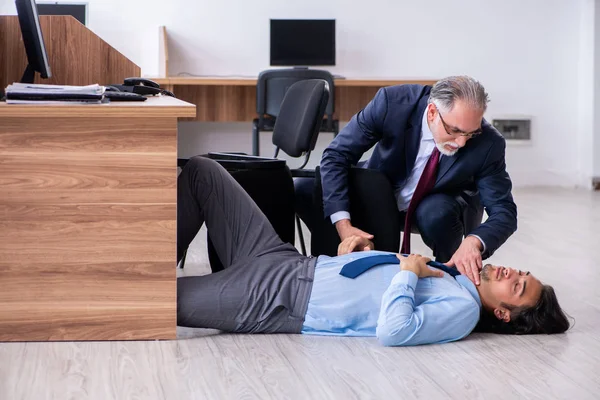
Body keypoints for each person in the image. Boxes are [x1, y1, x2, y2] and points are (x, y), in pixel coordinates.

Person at [176, 157, 569, 346]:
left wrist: (409, 273)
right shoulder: (452, 276)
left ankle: (136, 279)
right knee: (202, 171)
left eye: (517, 287)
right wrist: (356, 254)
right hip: (286, 261)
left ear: (502, 313)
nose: (510, 273)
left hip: (278, 299)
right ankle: (140, 262)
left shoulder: (463, 311)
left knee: (151, 300)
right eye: (521, 272)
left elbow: (394, 331)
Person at [295, 76, 517, 286]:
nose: (461, 142)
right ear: (432, 112)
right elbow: (336, 155)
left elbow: (504, 211)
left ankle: (448, 273)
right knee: (306, 189)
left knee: (436, 212)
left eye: (471, 133)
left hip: (436, 209)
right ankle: (343, 262)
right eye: (454, 130)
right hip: (381, 193)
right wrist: (343, 226)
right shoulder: (392, 103)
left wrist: (474, 241)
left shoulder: (489, 144)